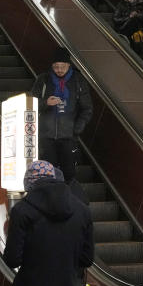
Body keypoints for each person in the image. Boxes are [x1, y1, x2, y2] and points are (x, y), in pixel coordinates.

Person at [30, 47, 93, 184]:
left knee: (69, 174)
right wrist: (46, 102)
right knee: (48, 174)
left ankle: (67, 201)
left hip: (68, 136)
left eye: (62, 66)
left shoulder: (78, 81)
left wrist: (76, 129)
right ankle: (52, 202)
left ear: (69, 65)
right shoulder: (44, 80)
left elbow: (87, 109)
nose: (59, 69)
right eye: (56, 66)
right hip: (47, 136)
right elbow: (31, 104)